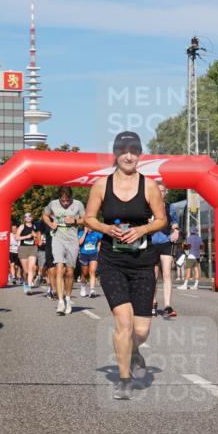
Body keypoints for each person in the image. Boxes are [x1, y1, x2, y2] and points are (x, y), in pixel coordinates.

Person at [84, 131, 167, 400]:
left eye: (134, 150)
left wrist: (142, 229)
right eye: (124, 150)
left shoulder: (149, 186)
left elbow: (161, 220)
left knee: (141, 330)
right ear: (116, 154)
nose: (129, 155)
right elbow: (89, 218)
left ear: (139, 154)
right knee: (123, 322)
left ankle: (133, 351)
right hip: (112, 261)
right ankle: (123, 379)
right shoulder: (101, 185)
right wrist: (107, 228)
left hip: (143, 264)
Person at [44, 186, 86, 315]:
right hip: (58, 239)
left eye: (67, 201)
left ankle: (68, 298)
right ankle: (60, 301)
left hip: (72, 241)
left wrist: (75, 220)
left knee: (69, 272)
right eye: (63, 201)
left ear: (71, 198)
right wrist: (51, 224)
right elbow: (45, 215)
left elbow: (86, 220)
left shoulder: (78, 204)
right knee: (59, 268)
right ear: (59, 199)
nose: (65, 203)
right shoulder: (53, 204)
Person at [150, 180, 180, 317]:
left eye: (163, 191)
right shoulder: (147, 206)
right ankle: (153, 302)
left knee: (167, 273)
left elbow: (174, 222)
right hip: (151, 243)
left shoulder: (170, 207)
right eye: (158, 190)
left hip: (166, 242)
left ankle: (167, 305)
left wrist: (177, 231)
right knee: (153, 276)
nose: (160, 193)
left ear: (166, 193)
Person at [15, 213, 39, 293]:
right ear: (24, 219)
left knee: (31, 268)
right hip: (23, 249)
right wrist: (26, 237)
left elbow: (38, 238)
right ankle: (25, 283)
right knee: (25, 271)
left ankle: (29, 287)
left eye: (30, 216)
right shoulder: (22, 226)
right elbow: (16, 237)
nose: (28, 218)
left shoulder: (35, 226)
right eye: (26, 216)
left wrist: (35, 235)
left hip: (33, 248)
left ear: (32, 218)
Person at [78, 226, 101, 297]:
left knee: (92, 271)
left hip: (93, 254)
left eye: (90, 226)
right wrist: (84, 233)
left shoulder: (97, 233)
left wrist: (98, 249)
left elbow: (100, 241)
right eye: (87, 226)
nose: (88, 228)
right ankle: (83, 287)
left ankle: (92, 290)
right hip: (84, 254)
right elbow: (79, 243)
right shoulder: (81, 232)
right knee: (84, 273)